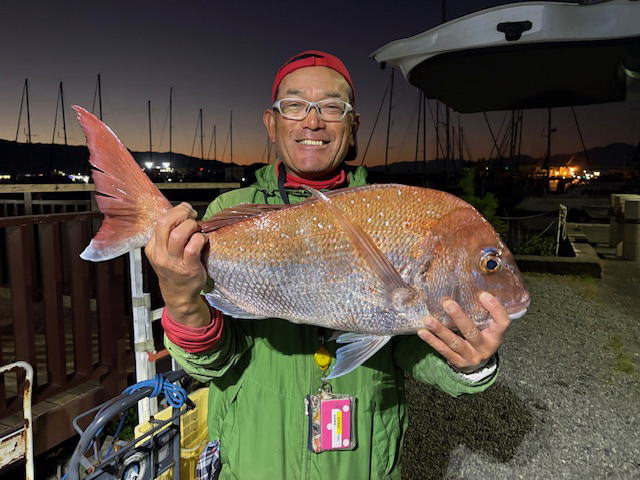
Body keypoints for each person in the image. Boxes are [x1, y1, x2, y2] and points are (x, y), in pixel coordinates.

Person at [144, 50, 511, 479]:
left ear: (353, 127)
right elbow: (214, 363)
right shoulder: (230, 214)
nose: (313, 121)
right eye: (294, 105)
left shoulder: (391, 210)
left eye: (332, 107)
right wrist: (180, 298)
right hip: (256, 462)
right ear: (272, 124)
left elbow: (413, 348)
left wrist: (469, 363)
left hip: (361, 465)